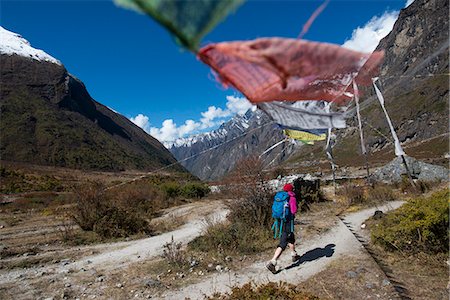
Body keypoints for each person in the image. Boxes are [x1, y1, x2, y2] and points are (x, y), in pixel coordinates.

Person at [266, 183, 300, 274]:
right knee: (283, 243)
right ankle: (273, 262)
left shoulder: (280, 196)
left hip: (280, 221)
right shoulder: (291, 197)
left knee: (291, 237)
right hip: (288, 222)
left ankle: (294, 254)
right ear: (291, 190)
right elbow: (294, 210)